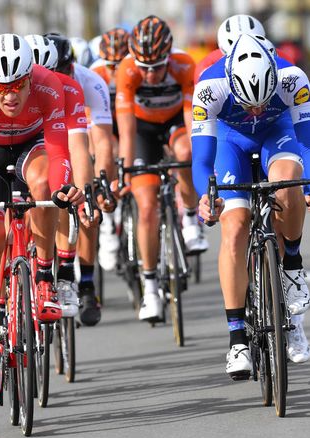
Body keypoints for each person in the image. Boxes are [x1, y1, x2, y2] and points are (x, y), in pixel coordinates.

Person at [0, 33, 83, 404]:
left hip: (31, 147)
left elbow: (59, 152)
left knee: (44, 186)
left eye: (18, 86)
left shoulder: (49, 86)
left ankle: (43, 276)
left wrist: (62, 188)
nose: (9, 96)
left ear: (30, 78)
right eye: (0, 87)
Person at [192, 34, 310, 379]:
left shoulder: (293, 79)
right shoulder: (209, 88)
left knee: (288, 181)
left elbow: (307, 143)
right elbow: (202, 160)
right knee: (235, 227)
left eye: (262, 102)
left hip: (278, 133)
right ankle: (237, 340)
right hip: (230, 142)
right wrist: (206, 197)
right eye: (248, 103)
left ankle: (292, 266)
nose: (256, 111)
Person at [116, 15, 208, 322]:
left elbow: (192, 122)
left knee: (186, 151)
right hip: (142, 130)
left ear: (168, 56)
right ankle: (151, 289)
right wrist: (125, 171)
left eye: (156, 67)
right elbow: (126, 131)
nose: (150, 74)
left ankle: (190, 218)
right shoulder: (127, 71)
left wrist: (197, 159)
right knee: (146, 206)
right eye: (144, 67)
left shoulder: (184, 65)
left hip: (174, 123)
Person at [25, 33, 100, 319]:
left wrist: (84, 196)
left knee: (67, 193)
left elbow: (79, 148)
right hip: (21, 148)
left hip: (54, 147)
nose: (44, 82)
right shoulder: (10, 92)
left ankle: (68, 274)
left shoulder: (70, 88)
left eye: (51, 74)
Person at [45, 32, 116, 326]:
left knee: (86, 202)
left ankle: (86, 284)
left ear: (72, 65)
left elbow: (101, 141)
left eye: (64, 70)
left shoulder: (90, 82)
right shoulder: (36, 86)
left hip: (78, 138)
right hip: (45, 140)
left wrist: (98, 187)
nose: (60, 78)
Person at [90, 28, 130, 271]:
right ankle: (108, 223)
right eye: (110, 64)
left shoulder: (135, 70)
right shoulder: (96, 73)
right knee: (107, 149)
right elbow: (90, 122)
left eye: (120, 64)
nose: (115, 70)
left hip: (130, 118)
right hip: (104, 121)